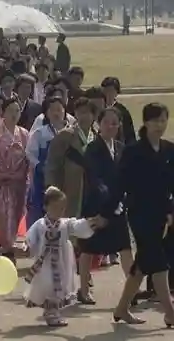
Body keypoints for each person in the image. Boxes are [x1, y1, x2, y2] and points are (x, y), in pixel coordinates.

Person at [113, 103, 174, 326]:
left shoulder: (169, 149)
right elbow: (120, 184)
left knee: (142, 265)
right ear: (145, 123)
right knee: (158, 264)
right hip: (140, 215)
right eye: (155, 120)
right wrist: (107, 212)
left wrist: (171, 211)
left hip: (161, 216)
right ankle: (171, 313)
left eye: (163, 120)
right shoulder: (133, 151)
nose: (160, 125)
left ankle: (121, 309)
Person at [77, 107, 132, 304]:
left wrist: (122, 198)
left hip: (118, 207)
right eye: (107, 122)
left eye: (115, 123)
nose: (111, 126)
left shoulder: (121, 147)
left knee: (125, 248)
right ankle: (84, 290)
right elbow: (95, 179)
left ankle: (131, 290)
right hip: (96, 207)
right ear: (99, 124)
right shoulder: (92, 149)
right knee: (89, 249)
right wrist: (109, 202)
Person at [24, 186, 100, 327]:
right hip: (45, 263)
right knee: (48, 285)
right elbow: (31, 239)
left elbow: (77, 226)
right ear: (46, 207)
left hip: (61, 262)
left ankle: (52, 313)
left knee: (59, 286)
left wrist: (90, 223)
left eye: (62, 208)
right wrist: (26, 246)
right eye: (56, 207)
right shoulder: (40, 225)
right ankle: (51, 313)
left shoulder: (65, 224)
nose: (59, 211)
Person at [0, 96, 29, 257]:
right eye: (10, 111)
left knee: (15, 214)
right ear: (3, 113)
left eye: (17, 111)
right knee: (2, 215)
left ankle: (10, 246)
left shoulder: (23, 133)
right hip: (0, 183)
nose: (14, 114)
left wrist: (19, 174)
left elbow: (26, 159)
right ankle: (6, 249)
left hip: (18, 183)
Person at [45, 97, 97, 218]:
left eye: (87, 112)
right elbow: (53, 164)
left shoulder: (96, 137)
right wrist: (52, 187)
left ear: (93, 115)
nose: (83, 116)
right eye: (80, 112)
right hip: (70, 189)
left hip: (92, 190)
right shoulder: (65, 136)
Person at [26, 96, 68, 228]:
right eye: (52, 110)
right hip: (43, 177)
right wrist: (39, 166)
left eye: (59, 110)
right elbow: (30, 153)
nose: (56, 113)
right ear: (46, 113)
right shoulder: (40, 133)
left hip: (66, 176)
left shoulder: (71, 132)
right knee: (40, 207)